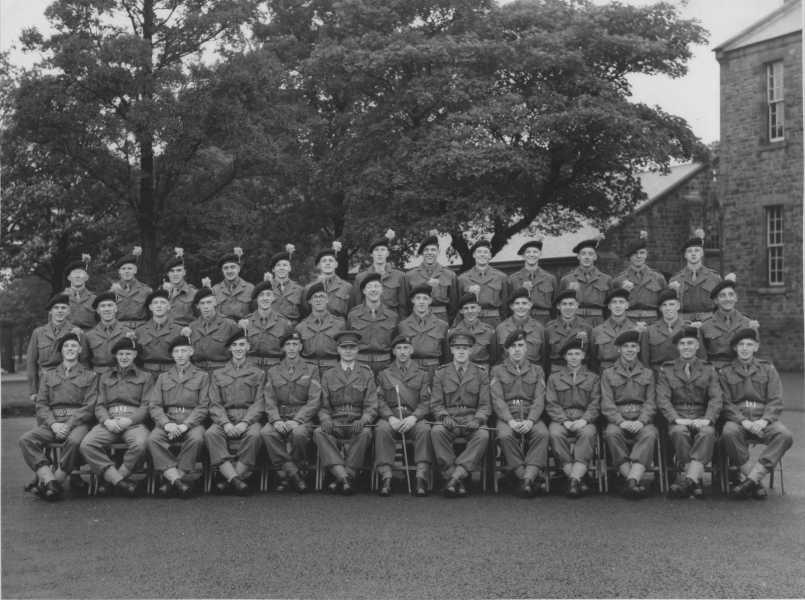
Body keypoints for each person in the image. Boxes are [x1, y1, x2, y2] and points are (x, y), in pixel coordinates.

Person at [19, 333, 97, 501]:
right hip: (53, 423)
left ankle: (57, 481)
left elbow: (89, 407)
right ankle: (49, 480)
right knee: (26, 439)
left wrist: (68, 425)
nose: (70, 349)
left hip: (78, 424)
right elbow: (41, 404)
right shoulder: (48, 375)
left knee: (75, 441)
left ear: (80, 350)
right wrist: (53, 424)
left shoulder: (90, 376)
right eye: (66, 346)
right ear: (61, 351)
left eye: (73, 346)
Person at [719, 328, 793, 500]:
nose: (745, 348)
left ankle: (751, 480)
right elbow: (725, 403)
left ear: (756, 347)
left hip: (763, 418)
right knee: (728, 433)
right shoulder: (725, 371)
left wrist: (765, 420)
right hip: (738, 419)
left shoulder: (768, 369)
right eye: (741, 345)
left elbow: (776, 399)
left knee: (785, 435)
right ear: (735, 348)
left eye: (749, 344)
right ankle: (755, 483)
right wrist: (742, 421)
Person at [79, 337, 151, 497]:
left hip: (133, 422)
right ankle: (119, 481)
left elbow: (146, 405)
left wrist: (130, 420)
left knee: (141, 443)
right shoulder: (105, 377)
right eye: (120, 354)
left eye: (128, 353)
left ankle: (118, 476)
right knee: (87, 444)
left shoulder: (146, 377)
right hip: (109, 421)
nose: (124, 357)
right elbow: (99, 405)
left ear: (134, 355)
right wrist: (106, 421)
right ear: (116, 356)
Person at [656, 326, 722, 499]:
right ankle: (694, 479)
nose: (686, 347)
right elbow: (663, 399)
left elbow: (716, 398)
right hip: (678, 414)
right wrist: (676, 419)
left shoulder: (709, 369)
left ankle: (688, 480)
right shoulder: (667, 369)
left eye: (690, 343)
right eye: (682, 344)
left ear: (697, 345)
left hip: (701, 414)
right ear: (678, 347)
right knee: (679, 433)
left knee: (707, 433)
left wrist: (708, 419)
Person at [314, 331, 377, 495]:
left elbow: (371, 405)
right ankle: (346, 477)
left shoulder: (366, 373)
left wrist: (364, 419)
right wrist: (325, 419)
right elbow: (322, 405)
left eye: (352, 347)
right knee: (319, 432)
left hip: (357, 421)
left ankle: (341, 477)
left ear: (357, 350)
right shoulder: (328, 374)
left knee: (365, 433)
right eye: (344, 348)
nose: (348, 351)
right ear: (338, 350)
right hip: (336, 421)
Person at [147, 335, 210, 498]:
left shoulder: (202, 376)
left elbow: (203, 406)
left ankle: (173, 480)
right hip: (169, 420)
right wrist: (166, 424)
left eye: (184, 351)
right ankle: (179, 481)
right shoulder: (163, 377)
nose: (180, 355)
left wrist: (186, 425)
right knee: (153, 439)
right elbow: (154, 405)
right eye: (176, 352)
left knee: (196, 439)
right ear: (172, 355)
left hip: (192, 421)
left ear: (191, 352)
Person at [430, 331, 491, 498]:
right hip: (449, 418)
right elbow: (436, 403)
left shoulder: (481, 373)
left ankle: (455, 476)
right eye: (458, 348)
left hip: (471, 418)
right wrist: (443, 416)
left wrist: (478, 419)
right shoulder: (441, 373)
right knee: (436, 431)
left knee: (483, 435)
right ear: (451, 350)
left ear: (471, 350)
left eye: (465, 348)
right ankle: (456, 477)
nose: (461, 351)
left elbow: (485, 405)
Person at [204, 331, 266, 495]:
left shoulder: (258, 373)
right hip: (225, 417)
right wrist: (225, 423)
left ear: (248, 347)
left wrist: (245, 422)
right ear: (229, 349)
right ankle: (237, 480)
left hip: (248, 417)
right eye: (234, 345)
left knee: (255, 435)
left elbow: (260, 402)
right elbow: (214, 403)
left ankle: (230, 479)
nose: (238, 348)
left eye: (241, 345)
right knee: (211, 434)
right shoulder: (218, 374)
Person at [490, 331, 550, 497]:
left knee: (543, 433)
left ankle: (526, 480)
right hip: (508, 415)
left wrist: (531, 420)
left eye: (520, 346)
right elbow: (497, 399)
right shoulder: (497, 370)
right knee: (504, 436)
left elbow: (539, 398)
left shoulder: (537, 370)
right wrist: (510, 420)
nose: (516, 350)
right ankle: (528, 477)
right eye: (512, 346)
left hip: (531, 414)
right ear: (507, 350)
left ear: (527, 348)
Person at [601, 330, 659, 499]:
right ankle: (632, 479)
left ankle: (631, 481)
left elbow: (651, 402)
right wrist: (620, 422)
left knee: (650, 433)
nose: (629, 350)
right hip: (618, 418)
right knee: (611, 433)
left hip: (641, 418)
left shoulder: (648, 373)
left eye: (633, 346)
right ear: (618, 350)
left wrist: (642, 421)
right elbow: (607, 403)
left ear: (639, 349)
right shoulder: (608, 373)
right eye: (625, 346)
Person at [262, 331, 321, 493]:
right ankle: (295, 473)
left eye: (295, 344)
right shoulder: (273, 371)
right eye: (288, 345)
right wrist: (275, 420)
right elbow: (270, 400)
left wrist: (297, 420)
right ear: (283, 348)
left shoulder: (311, 369)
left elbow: (314, 400)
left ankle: (288, 473)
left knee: (299, 434)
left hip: (302, 417)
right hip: (280, 416)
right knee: (267, 432)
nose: (292, 348)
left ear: (301, 347)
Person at [373, 335, 433, 497]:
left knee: (425, 430)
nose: (402, 352)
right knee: (381, 429)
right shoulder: (384, 374)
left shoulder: (422, 374)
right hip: (392, 416)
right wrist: (390, 417)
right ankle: (386, 477)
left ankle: (421, 477)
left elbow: (426, 401)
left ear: (412, 350)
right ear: (393, 351)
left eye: (406, 348)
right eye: (399, 348)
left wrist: (414, 417)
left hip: (413, 417)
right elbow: (378, 399)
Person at [546, 337, 601, 498]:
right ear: (565, 357)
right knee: (555, 434)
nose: (574, 357)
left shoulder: (593, 378)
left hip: (585, 419)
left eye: (577, 353)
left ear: (583, 356)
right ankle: (577, 479)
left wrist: (584, 420)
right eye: (570, 354)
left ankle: (572, 479)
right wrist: (564, 421)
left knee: (588, 433)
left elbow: (595, 403)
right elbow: (551, 403)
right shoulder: (554, 378)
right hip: (561, 419)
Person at [26, 293, 87, 403]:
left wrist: (82, 384)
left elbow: (84, 360)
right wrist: (33, 390)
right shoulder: (39, 333)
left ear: (68, 311)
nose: (60, 311)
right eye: (56, 308)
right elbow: (31, 362)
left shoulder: (77, 332)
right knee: (44, 416)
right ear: (50, 311)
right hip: (45, 383)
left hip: (70, 382)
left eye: (63, 308)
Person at [699, 278, 758, 370]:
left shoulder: (748, 324)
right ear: (716, 301)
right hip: (715, 373)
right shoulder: (705, 325)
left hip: (740, 372)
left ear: (736, 298)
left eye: (731, 295)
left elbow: (754, 355)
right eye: (722, 296)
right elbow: (701, 358)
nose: (727, 299)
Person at [347, 272, 398, 376]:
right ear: (364, 291)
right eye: (369, 287)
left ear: (382, 290)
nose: (373, 290)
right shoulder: (353, 315)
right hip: (360, 364)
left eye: (377, 286)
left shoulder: (392, 316)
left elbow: (396, 344)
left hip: (386, 365)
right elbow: (348, 342)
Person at [641, 288, 703, 372]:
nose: (668, 308)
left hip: (683, 373)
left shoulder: (689, 328)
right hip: (658, 374)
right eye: (664, 305)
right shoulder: (649, 331)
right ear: (660, 308)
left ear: (678, 306)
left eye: (671, 304)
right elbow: (645, 360)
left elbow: (701, 357)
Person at [612, 231, 667, 323]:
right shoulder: (619, 280)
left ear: (646, 255)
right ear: (629, 256)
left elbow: (665, 304)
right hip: (628, 321)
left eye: (642, 253)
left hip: (653, 322)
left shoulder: (658, 278)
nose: (639, 256)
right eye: (635, 253)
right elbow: (612, 306)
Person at [240, 281, 294, 373]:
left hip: (276, 369)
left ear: (273, 298)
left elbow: (290, 351)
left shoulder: (284, 323)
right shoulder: (246, 322)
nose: (265, 298)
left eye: (268, 295)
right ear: (256, 299)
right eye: (261, 295)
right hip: (251, 369)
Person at [397, 284, 448, 380]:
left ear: (430, 301)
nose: (421, 302)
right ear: (413, 300)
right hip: (410, 369)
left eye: (425, 298)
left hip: (434, 369)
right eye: (418, 298)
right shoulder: (403, 326)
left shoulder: (441, 325)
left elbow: (446, 356)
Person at [351, 234, 410, 317]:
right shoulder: (360, 278)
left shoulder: (400, 276)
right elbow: (356, 305)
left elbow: (404, 306)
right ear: (371, 254)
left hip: (392, 323)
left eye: (383, 250)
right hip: (368, 322)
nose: (379, 253)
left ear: (388, 253)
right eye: (376, 250)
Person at [669, 230, 722, 322]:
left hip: (709, 321)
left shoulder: (714, 278)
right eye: (689, 251)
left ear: (702, 253)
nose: (693, 254)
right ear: (685, 255)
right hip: (684, 323)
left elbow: (721, 304)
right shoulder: (676, 279)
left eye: (697, 250)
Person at [405, 233, 459, 322]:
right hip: (417, 319)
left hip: (441, 318)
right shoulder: (410, 275)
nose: (429, 253)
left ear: (438, 252)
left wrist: (448, 323)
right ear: (422, 252)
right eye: (426, 250)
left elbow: (454, 305)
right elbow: (406, 304)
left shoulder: (450, 275)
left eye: (433, 250)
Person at [296, 282, 346, 376]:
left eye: (322, 297)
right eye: (315, 297)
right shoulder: (301, 327)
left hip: (333, 370)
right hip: (308, 371)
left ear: (327, 300)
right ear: (309, 301)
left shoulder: (339, 324)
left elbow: (345, 351)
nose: (319, 300)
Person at [559, 238, 612, 326]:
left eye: (590, 254)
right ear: (578, 257)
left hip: (598, 321)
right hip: (574, 320)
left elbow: (610, 307)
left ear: (595, 257)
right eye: (583, 254)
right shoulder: (567, 280)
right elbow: (559, 306)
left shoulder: (606, 279)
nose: (587, 257)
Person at [187, 287, 242, 372]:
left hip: (222, 371)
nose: (206, 307)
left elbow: (240, 351)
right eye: (202, 303)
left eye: (209, 302)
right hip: (198, 371)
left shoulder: (229, 325)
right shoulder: (192, 327)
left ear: (215, 303)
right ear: (197, 306)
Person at [494, 287, 549, 370]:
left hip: (532, 374)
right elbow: (496, 356)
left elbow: (544, 357)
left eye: (524, 303)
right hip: (507, 373)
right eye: (517, 303)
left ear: (530, 305)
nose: (521, 307)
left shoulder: (540, 329)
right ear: (511, 306)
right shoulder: (501, 328)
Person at [457, 240, 508, 327]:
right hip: (470, 320)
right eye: (479, 252)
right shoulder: (462, 278)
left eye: (485, 252)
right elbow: (458, 305)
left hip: (494, 320)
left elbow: (505, 304)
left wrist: (503, 323)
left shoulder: (501, 277)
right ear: (474, 255)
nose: (482, 255)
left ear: (490, 255)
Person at [134, 289, 184, 375]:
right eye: (155, 303)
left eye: (163, 303)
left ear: (169, 306)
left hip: (171, 373)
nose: (159, 306)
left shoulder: (179, 330)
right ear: (150, 307)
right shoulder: (140, 331)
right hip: (146, 373)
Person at [507, 239, 557, 323]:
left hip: (544, 319)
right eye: (528, 252)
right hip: (520, 318)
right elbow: (508, 304)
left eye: (535, 252)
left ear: (540, 254)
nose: (532, 255)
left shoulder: (550, 278)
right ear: (523, 256)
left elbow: (555, 305)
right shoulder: (513, 279)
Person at [590, 288, 639, 373]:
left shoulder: (636, 329)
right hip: (604, 372)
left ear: (627, 305)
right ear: (609, 306)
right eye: (614, 302)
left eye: (621, 302)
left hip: (630, 372)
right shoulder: (597, 331)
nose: (618, 305)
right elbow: (593, 358)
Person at [544, 289, 593, 374]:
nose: (568, 308)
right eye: (564, 304)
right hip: (556, 371)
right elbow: (545, 355)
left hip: (580, 372)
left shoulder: (587, 327)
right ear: (558, 306)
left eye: (571, 304)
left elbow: (592, 354)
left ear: (577, 305)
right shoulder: (549, 328)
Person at [84, 292, 133, 376]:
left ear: (116, 309)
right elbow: (84, 360)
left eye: (110, 305)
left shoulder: (127, 332)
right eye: (103, 306)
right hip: (97, 375)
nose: (107, 309)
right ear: (98, 311)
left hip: (120, 375)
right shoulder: (89, 335)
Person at [303, 244, 353, 318]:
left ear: (336, 264)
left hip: (339, 327)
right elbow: (305, 312)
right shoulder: (309, 288)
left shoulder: (347, 287)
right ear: (318, 266)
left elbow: (352, 312)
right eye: (324, 261)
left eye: (331, 260)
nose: (328, 263)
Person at [448, 293, 496, 367]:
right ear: (461, 311)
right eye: (466, 308)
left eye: (473, 307)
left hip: (482, 370)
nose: (470, 311)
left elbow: (494, 357)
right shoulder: (453, 333)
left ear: (479, 309)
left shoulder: (489, 331)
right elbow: (448, 358)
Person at [110, 249, 152, 328]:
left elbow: (152, 314)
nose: (126, 271)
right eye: (123, 269)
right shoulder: (113, 291)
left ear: (135, 270)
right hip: (119, 329)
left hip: (141, 328)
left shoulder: (146, 290)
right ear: (119, 271)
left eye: (129, 268)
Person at [212, 251, 254, 321]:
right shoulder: (215, 290)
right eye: (226, 268)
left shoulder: (250, 288)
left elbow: (255, 313)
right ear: (222, 271)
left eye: (232, 267)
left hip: (244, 329)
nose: (229, 271)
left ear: (238, 269)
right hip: (222, 329)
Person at [266, 248, 304, 324]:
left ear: (290, 268)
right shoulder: (266, 289)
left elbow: (304, 314)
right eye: (278, 265)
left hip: (291, 331)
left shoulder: (299, 290)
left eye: (285, 265)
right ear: (273, 269)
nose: (282, 268)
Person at [162, 252, 198, 326]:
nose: (175, 274)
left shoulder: (194, 294)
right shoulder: (161, 293)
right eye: (172, 271)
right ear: (167, 274)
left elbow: (202, 319)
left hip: (184, 334)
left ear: (184, 272)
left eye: (179, 270)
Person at [62, 258, 97, 330]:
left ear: (86, 277)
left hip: (89, 337)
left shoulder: (94, 299)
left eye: (81, 273)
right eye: (74, 273)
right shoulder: (60, 298)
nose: (78, 276)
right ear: (69, 277)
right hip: (66, 337)